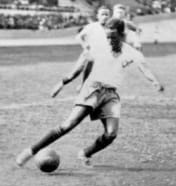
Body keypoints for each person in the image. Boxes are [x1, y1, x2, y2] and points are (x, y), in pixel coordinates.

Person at [16, 18, 165, 168]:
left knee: (111, 134)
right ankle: (30, 152)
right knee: (69, 124)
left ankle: (86, 153)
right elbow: (82, 65)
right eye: (107, 36)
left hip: (110, 95)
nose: (108, 40)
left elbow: (144, 68)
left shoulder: (130, 51)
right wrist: (63, 82)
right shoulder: (98, 46)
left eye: (112, 36)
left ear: (121, 34)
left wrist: (155, 82)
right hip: (92, 89)